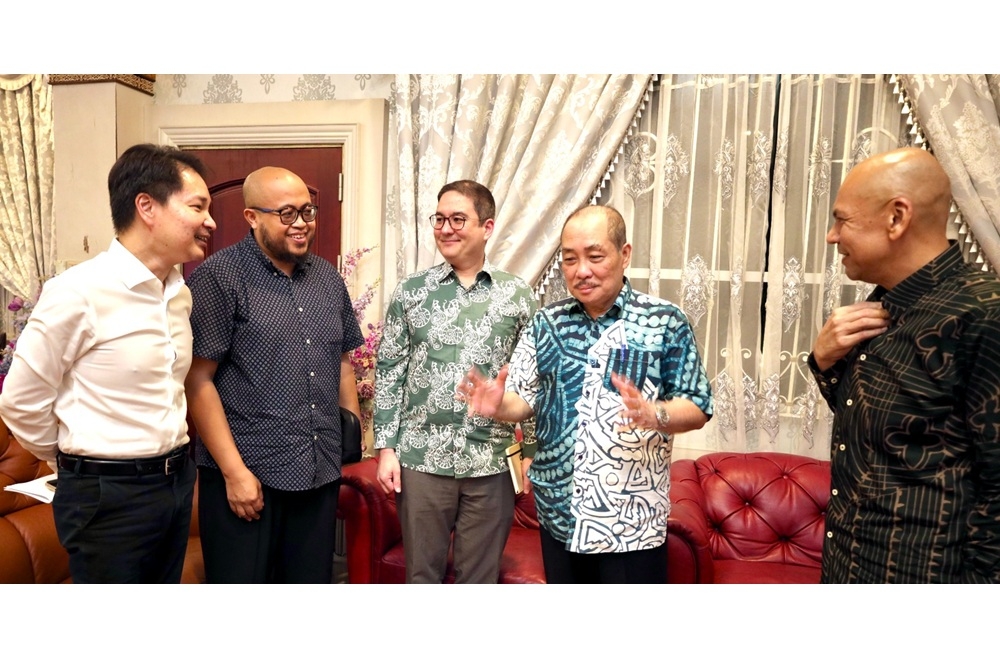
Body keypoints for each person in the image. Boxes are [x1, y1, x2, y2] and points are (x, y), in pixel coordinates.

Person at [459, 205, 713, 583]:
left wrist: (654, 414)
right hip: (559, 514)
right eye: (570, 259)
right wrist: (497, 407)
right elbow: (523, 401)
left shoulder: (664, 321)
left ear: (624, 254)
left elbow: (698, 405)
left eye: (595, 257)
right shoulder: (547, 323)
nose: (581, 271)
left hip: (631, 521)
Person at [0, 143, 216, 583]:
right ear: (146, 206)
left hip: (175, 483)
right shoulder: (78, 291)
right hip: (105, 495)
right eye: (198, 206)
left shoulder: (179, 293)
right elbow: (21, 401)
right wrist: (79, 460)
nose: (210, 221)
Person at [810, 147, 1000, 583]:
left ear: (897, 218)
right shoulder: (884, 304)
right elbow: (879, 427)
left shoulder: (983, 313)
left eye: (843, 220)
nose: (832, 236)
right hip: (848, 568)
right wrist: (823, 362)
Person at [185, 166, 363, 583]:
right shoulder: (219, 277)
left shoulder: (327, 278)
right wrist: (234, 473)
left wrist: (349, 441)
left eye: (307, 211)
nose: (301, 224)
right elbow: (197, 380)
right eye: (286, 214)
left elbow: (341, 363)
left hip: (318, 473)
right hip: (248, 481)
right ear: (252, 217)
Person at [373, 180, 537, 583]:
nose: (445, 229)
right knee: (422, 578)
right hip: (420, 460)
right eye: (440, 219)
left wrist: (531, 448)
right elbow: (390, 370)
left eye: (458, 219)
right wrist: (386, 449)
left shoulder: (517, 296)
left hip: (491, 461)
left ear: (487, 226)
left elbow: (532, 378)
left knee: (478, 582)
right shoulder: (411, 292)